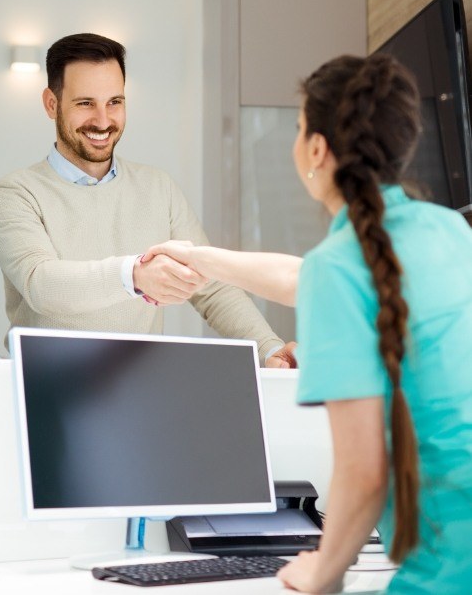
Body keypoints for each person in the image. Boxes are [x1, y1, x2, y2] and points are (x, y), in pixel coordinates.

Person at [144, 53, 472, 593]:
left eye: (299, 129)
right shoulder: (447, 230)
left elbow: (364, 473)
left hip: (447, 565)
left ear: (316, 149)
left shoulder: (340, 266)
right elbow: (306, 278)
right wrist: (200, 257)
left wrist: (322, 568)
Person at [0, 33, 295, 367]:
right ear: (51, 103)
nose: (103, 121)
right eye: (85, 103)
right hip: (44, 390)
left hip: (138, 389)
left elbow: (211, 286)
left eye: (114, 102)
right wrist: (134, 275)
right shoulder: (15, 194)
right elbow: (42, 285)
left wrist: (269, 348)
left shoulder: (158, 187)